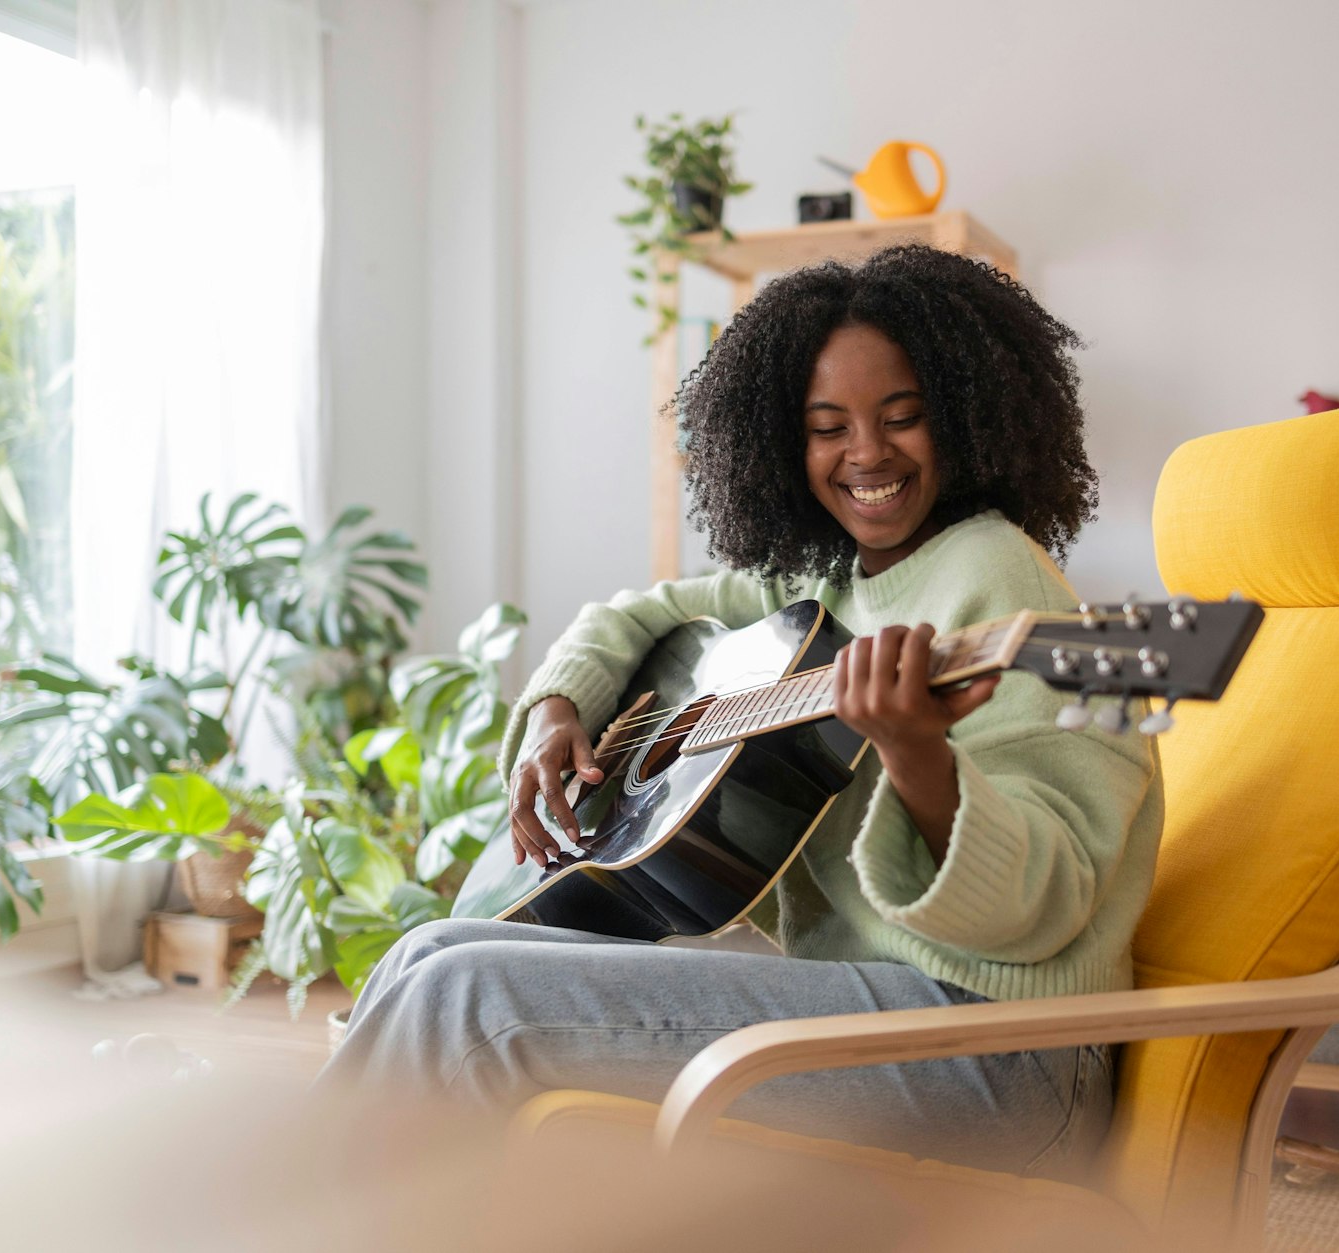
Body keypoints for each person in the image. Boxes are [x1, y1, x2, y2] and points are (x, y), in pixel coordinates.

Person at [324, 244, 1163, 1182]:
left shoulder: (1003, 582)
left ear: (970, 416)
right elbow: (638, 616)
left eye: (903, 418)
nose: (867, 454)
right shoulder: (827, 578)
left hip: (1003, 1056)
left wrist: (918, 755)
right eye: (826, 426)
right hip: (876, 1008)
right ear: (779, 441)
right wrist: (565, 704)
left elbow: (1042, 908)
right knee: (426, 948)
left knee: (466, 995)